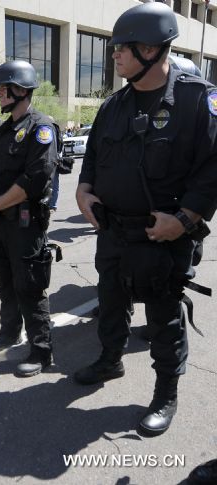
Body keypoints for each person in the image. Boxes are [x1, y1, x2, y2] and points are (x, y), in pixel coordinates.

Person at [74, 2, 217, 436]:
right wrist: (83, 192)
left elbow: (212, 167)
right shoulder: (113, 105)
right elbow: (93, 159)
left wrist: (186, 217)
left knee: (163, 319)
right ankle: (110, 360)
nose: (114, 55)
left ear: (152, 49)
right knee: (111, 303)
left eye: (122, 47)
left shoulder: (196, 99)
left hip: (164, 236)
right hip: (113, 231)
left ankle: (165, 393)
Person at [0, 60, 58, 375]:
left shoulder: (41, 127)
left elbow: (34, 181)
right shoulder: (1, 131)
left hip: (24, 223)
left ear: (20, 90)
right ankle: (9, 331)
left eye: (3, 89)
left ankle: (41, 350)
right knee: (5, 283)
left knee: (29, 287)